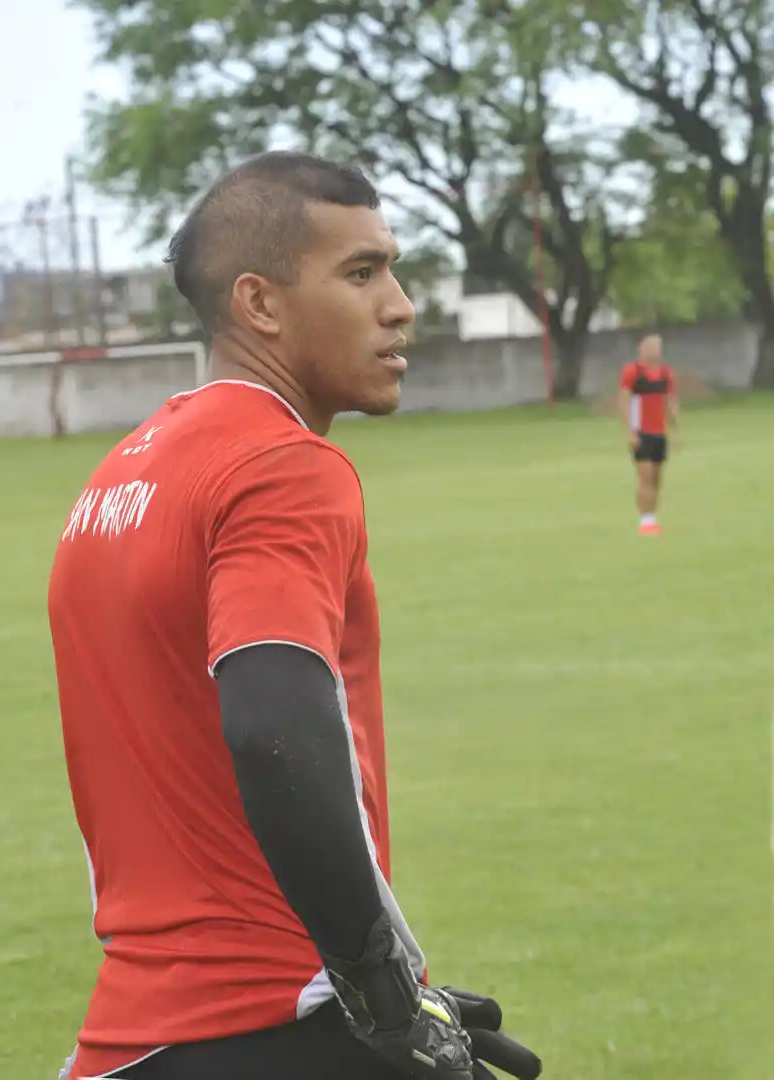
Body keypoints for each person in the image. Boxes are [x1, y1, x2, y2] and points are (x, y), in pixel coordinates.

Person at [48, 152, 541, 1080]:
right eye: (361, 273)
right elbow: (273, 728)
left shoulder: (117, 477)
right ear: (259, 304)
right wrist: (380, 991)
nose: (399, 304)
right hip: (278, 1021)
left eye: (391, 268)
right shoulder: (282, 464)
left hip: (130, 1043)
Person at [618, 334, 680, 535]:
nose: (656, 351)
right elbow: (624, 402)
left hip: (659, 432)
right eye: (652, 346)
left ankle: (653, 517)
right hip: (641, 432)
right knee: (645, 476)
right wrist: (630, 432)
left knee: (657, 478)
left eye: (658, 347)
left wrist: (677, 428)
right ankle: (645, 520)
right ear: (642, 349)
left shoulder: (665, 374)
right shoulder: (632, 372)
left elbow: (670, 401)